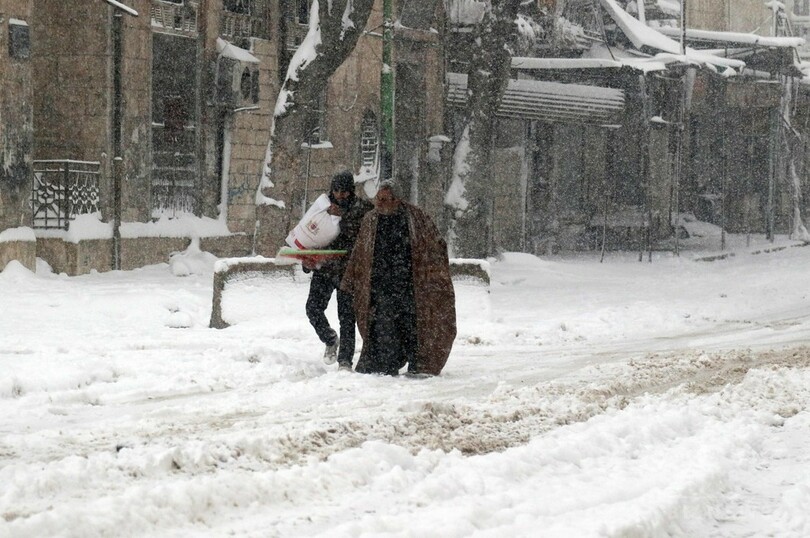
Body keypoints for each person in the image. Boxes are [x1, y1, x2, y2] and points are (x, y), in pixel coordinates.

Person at [341, 180, 456, 376]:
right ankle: (386, 365)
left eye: (385, 199)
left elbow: (435, 245)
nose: (380, 203)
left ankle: (417, 363)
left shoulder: (416, 218)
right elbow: (360, 251)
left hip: (409, 285)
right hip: (380, 286)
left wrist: (430, 272)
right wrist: (350, 280)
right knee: (383, 328)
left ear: (397, 199)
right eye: (378, 199)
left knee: (412, 327)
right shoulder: (370, 220)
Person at [304, 171, 373, 370]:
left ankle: (345, 360)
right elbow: (309, 234)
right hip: (325, 269)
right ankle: (330, 338)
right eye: (336, 190)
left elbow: (363, 235)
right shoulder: (321, 208)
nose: (340, 195)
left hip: (348, 271)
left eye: (344, 191)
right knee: (313, 308)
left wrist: (343, 217)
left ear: (351, 190)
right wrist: (307, 261)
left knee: (347, 317)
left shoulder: (363, 209)